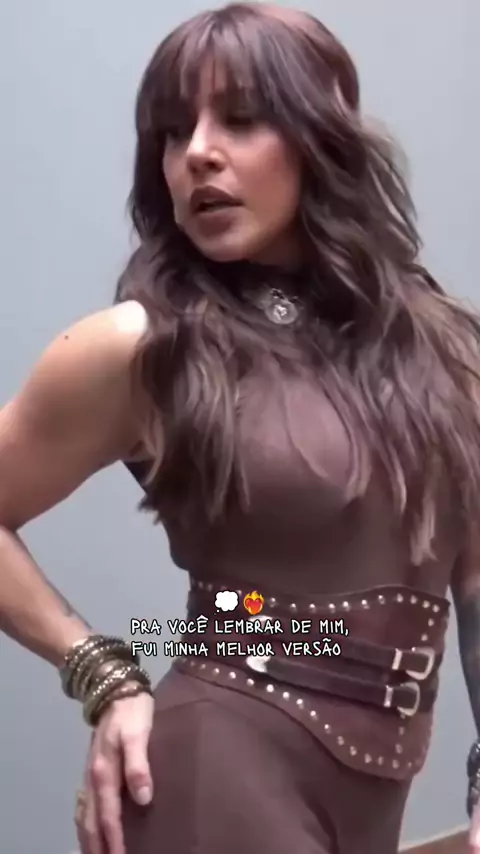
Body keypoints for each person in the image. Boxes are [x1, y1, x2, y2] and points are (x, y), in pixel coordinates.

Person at [2, 2, 480, 852]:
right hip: (212, 767)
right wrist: (101, 671)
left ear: (322, 136)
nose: (198, 152)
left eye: (243, 118)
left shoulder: (445, 347)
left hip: (378, 798)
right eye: (172, 130)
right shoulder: (142, 348)